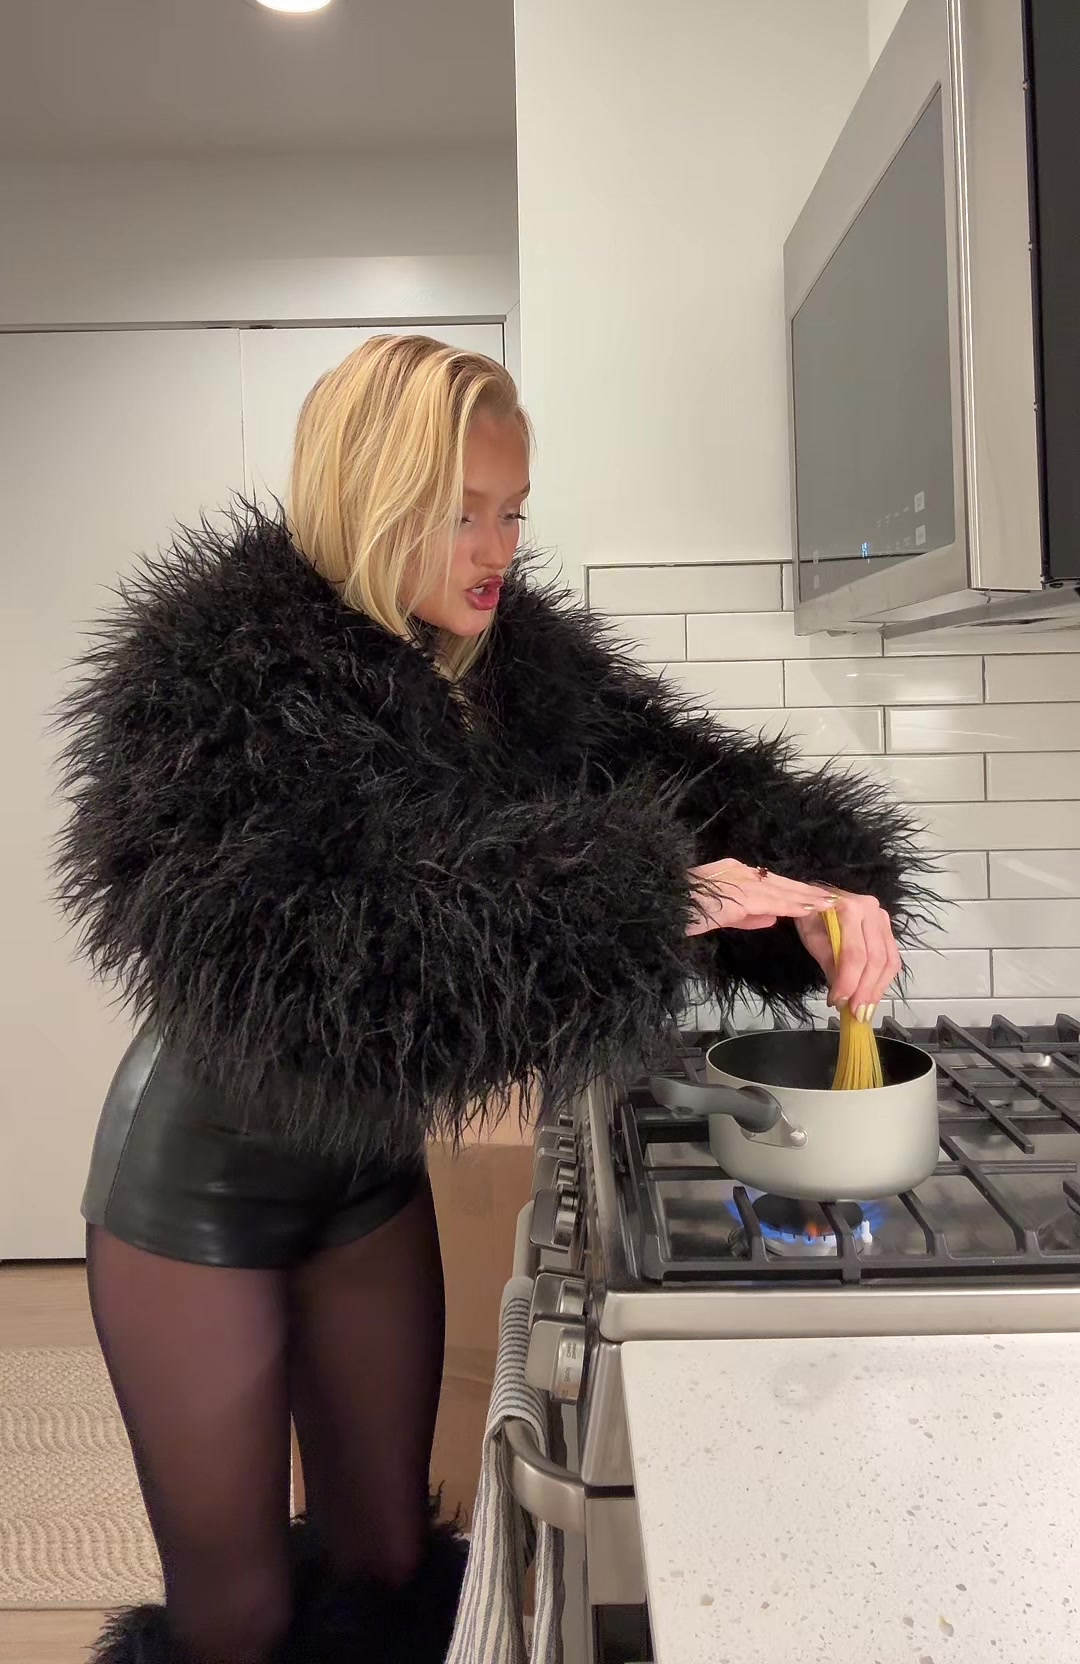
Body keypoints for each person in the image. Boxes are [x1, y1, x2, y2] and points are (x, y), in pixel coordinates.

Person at [57, 333, 921, 1664]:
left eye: (512, 511)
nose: (497, 548)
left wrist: (815, 886)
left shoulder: (515, 665)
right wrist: (648, 895)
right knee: (235, 1615)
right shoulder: (223, 680)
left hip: (365, 1176)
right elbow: (339, 950)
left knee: (391, 1557)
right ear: (367, 497)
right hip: (195, 1189)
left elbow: (686, 788)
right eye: (461, 511)